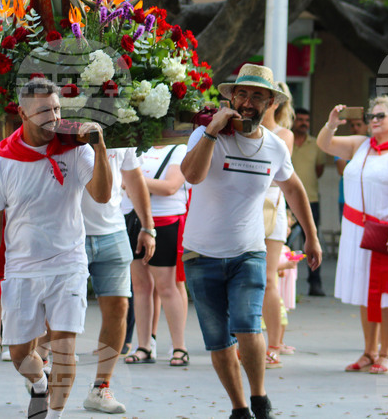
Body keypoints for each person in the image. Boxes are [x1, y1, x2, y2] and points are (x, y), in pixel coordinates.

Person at [179, 65, 322, 419]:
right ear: (230, 97)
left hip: (249, 252)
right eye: (241, 94)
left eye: (256, 96)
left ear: (270, 102)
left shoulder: (274, 146)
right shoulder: (205, 134)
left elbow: (294, 188)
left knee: (246, 324)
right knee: (219, 341)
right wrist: (212, 131)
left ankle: (260, 400)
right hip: (201, 254)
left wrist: (313, 237)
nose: (246, 102)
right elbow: (191, 175)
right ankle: (239, 408)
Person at [0, 78, 111, 419]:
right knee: (21, 353)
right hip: (22, 268)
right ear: (22, 113)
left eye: (55, 109)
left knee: (65, 349)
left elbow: (102, 195)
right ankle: (39, 382)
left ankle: (53, 415)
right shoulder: (2, 160)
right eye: (42, 111)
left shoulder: (75, 149)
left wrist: (99, 148)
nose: (52, 117)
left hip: (68, 264)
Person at [317, 96, 388, 375]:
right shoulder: (360, 144)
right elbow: (325, 145)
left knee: (387, 294)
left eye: (380, 116)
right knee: (365, 291)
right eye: (372, 115)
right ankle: (368, 351)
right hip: (356, 231)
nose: (374, 119)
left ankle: (386, 353)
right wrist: (332, 124)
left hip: (387, 231)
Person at [78, 146, 153, 414]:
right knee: (58, 308)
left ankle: (101, 387)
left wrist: (147, 226)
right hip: (68, 230)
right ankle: (45, 370)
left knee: (119, 308)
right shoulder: (63, 114)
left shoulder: (124, 123)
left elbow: (133, 177)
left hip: (113, 230)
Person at [126, 144, 190, 368]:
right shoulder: (138, 147)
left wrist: (134, 181)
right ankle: (144, 345)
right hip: (135, 218)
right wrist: (134, 182)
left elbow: (171, 187)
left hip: (166, 220)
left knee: (167, 286)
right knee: (141, 287)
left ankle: (179, 347)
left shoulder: (179, 148)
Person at [260, 83, 295, 369]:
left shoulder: (284, 135)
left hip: (271, 206)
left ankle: (273, 345)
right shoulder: (237, 130)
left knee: (269, 278)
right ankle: (245, 340)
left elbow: (277, 176)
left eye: (260, 97)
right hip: (242, 206)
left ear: (274, 103)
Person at [291, 107, 329, 296]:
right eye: (300, 119)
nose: (304, 123)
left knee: (312, 241)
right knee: (284, 242)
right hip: (286, 200)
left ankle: (315, 283)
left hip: (311, 199)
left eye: (306, 120)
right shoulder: (286, 140)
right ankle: (284, 282)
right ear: (293, 120)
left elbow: (319, 170)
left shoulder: (315, 144)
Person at [335, 115, 368, 220]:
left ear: (367, 126)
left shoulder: (374, 145)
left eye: (359, 125)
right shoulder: (343, 144)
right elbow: (342, 170)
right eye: (352, 125)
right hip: (346, 199)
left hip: (367, 199)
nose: (355, 128)